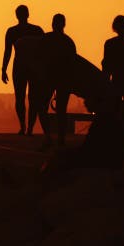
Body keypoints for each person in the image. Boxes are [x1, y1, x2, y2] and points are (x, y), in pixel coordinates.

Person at [1, 5, 45, 135]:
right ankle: (29, 127)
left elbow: (7, 52)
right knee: (33, 98)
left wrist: (4, 69)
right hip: (34, 68)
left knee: (20, 98)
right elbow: (44, 51)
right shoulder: (37, 30)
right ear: (28, 14)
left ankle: (23, 126)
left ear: (17, 16)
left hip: (20, 66)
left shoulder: (12, 31)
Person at [39, 14, 76, 147]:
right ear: (64, 24)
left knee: (42, 107)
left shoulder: (46, 39)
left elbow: (39, 59)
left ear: (53, 24)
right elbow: (73, 63)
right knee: (61, 110)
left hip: (48, 78)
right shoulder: (68, 41)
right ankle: (60, 140)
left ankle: (48, 137)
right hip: (63, 80)